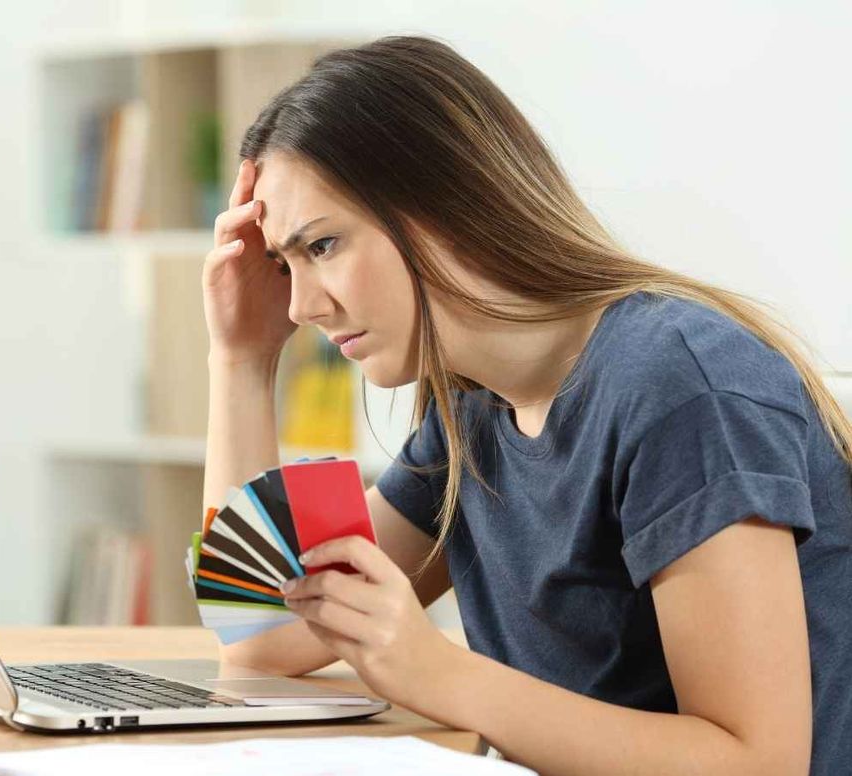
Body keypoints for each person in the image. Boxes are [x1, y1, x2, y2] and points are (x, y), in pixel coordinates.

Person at [199, 34, 852, 776]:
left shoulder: (680, 384)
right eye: (283, 264)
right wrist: (243, 362)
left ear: (443, 204)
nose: (302, 304)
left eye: (320, 246)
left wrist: (438, 673)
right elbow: (262, 634)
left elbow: (759, 764)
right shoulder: (472, 409)